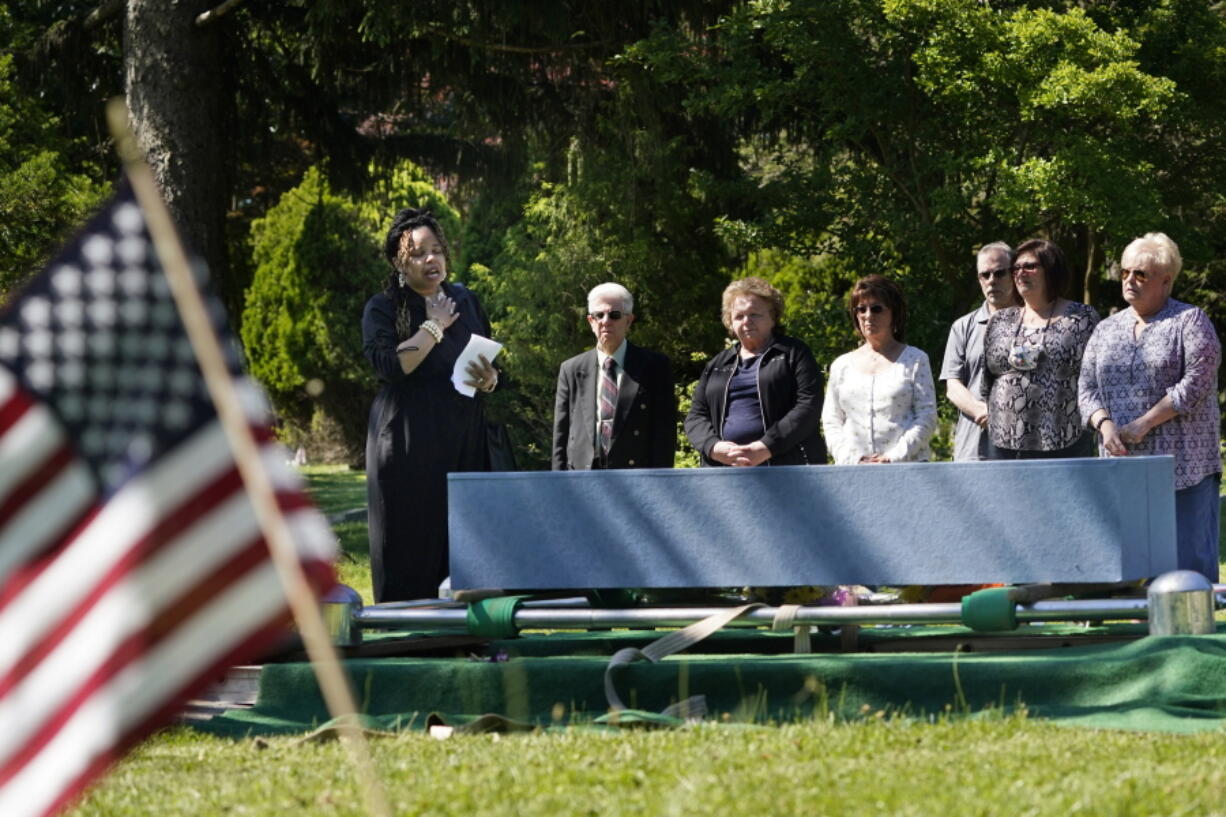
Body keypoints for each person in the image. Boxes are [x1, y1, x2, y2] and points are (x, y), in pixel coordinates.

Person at [362, 208, 500, 602]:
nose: (431, 259)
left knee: (465, 539)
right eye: (419, 253)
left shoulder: (465, 299)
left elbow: (489, 361)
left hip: (462, 433)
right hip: (407, 438)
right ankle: (408, 633)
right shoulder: (384, 306)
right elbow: (393, 365)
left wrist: (490, 378)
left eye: (437, 250)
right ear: (398, 262)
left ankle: (464, 633)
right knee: (411, 537)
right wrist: (434, 325)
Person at [1079, 233, 1221, 580]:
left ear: (1166, 280)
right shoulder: (1106, 328)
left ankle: (1196, 632)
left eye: (1140, 274)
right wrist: (1104, 424)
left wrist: (1144, 423)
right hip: (1122, 466)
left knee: (1188, 568)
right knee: (1127, 564)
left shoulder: (1190, 321)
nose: (1129, 280)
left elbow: (1195, 384)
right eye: (1126, 272)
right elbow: (1085, 386)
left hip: (1183, 467)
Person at [685, 277, 826, 466]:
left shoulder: (794, 354)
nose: (746, 321)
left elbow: (808, 405)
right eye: (739, 316)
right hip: (724, 470)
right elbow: (696, 416)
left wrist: (766, 447)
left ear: (772, 317)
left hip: (787, 468)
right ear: (730, 322)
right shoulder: (717, 365)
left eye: (754, 314)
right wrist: (714, 447)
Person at [982, 239, 1099, 458]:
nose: (1020, 273)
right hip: (1003, 440)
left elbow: (1094, 378)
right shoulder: (999, 320)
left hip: (1064, 437)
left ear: (1052, 270)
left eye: (1030, 266)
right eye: (1016, 268)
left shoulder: (1081, 318)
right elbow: (986, 381)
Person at [552, 283, 676, 470]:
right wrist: (558, 483)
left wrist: (660, 482)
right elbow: (561, 435)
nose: (606, 321)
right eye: (599, 315)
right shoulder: (571, 369)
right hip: (581, 477)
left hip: (635, 476)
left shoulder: (655, 366)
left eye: (614, 315)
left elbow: (664, 434)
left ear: (629, 320)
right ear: (590, 321)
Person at [822, 275, 937, 464]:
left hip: (908, 471)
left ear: (894, 313)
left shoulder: (916, 360)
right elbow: (831, 421)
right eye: (861, 309)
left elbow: (927, 417)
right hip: (854, 473)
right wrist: (853, 459)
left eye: (876, 309)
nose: (868, 315)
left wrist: (891, 458)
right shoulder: (841, 366)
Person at [940, 242, 1020, 461]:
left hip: (1024, 448)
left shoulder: (1034, 323)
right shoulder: (962, 327)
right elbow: (952, 385)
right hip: (974, 449)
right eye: (985, 275)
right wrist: (981, 410)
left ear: (1014, 274)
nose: (992, 280)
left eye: (999, 273)